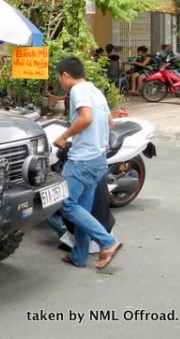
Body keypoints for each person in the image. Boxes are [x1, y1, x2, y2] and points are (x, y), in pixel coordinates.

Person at [53, 57, 122, 269]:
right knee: (81, 208)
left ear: (65, 75)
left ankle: (107, 241)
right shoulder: (96, 91)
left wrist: (65, 136)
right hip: (98, 159)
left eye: (59, 79)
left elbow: (86, 118)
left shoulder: (77, 91)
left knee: (65, 203)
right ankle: (79, 255)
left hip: (82, 160)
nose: (60, 83)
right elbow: (109, 123)